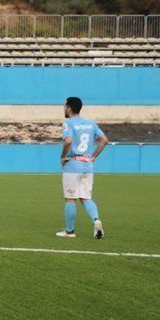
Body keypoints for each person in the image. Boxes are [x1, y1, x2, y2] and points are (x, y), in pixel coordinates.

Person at [56, 96, 107, 239]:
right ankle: (96, 220)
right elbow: (104, 140)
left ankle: (69, 231)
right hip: (87, 166)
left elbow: (68, 141)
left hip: (73, 165)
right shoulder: (90, 123)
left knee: (70, 199)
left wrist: (63, 156)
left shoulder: (68, 123)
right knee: (86, 198)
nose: (64, 109)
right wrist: (93, 156)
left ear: (69, 108)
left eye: (65, 106)